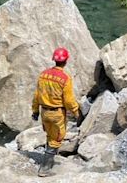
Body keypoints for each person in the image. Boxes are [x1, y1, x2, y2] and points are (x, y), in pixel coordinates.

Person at [32, 48, 82, 177]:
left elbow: (37, 95)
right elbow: (69, 101)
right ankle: (45, 168)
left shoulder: (43, 74)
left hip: (44, 112)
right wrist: (77, 113)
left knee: (50, 135)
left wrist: (35, 111)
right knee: (57, 138)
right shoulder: (65, 78)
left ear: (54, 59)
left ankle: (49, 159)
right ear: (66, 61)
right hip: (57, 114)